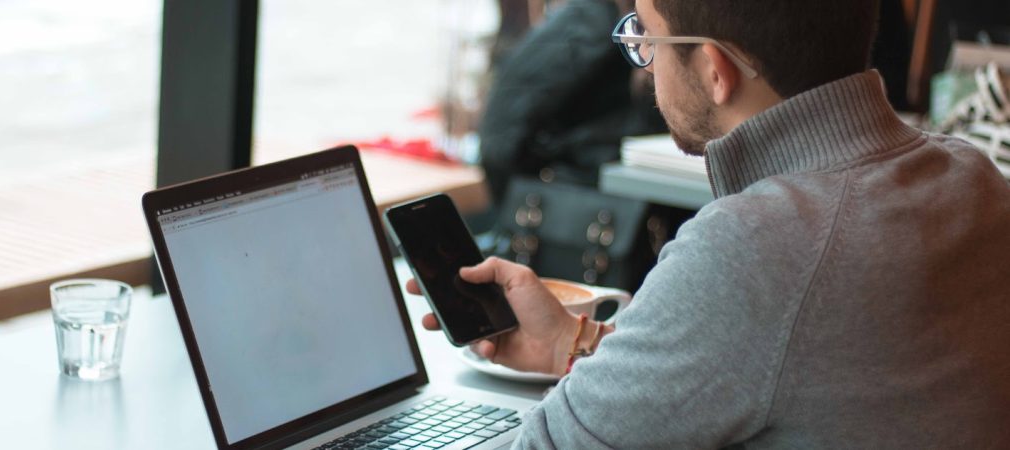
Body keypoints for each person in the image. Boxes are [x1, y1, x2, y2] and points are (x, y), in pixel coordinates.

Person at [406, 0, 1010, 447]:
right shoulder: (974, 178)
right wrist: (570, 343)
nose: (645, 65)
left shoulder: (757, 244)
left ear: (717, 70)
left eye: (647, 36)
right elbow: (791, 365)